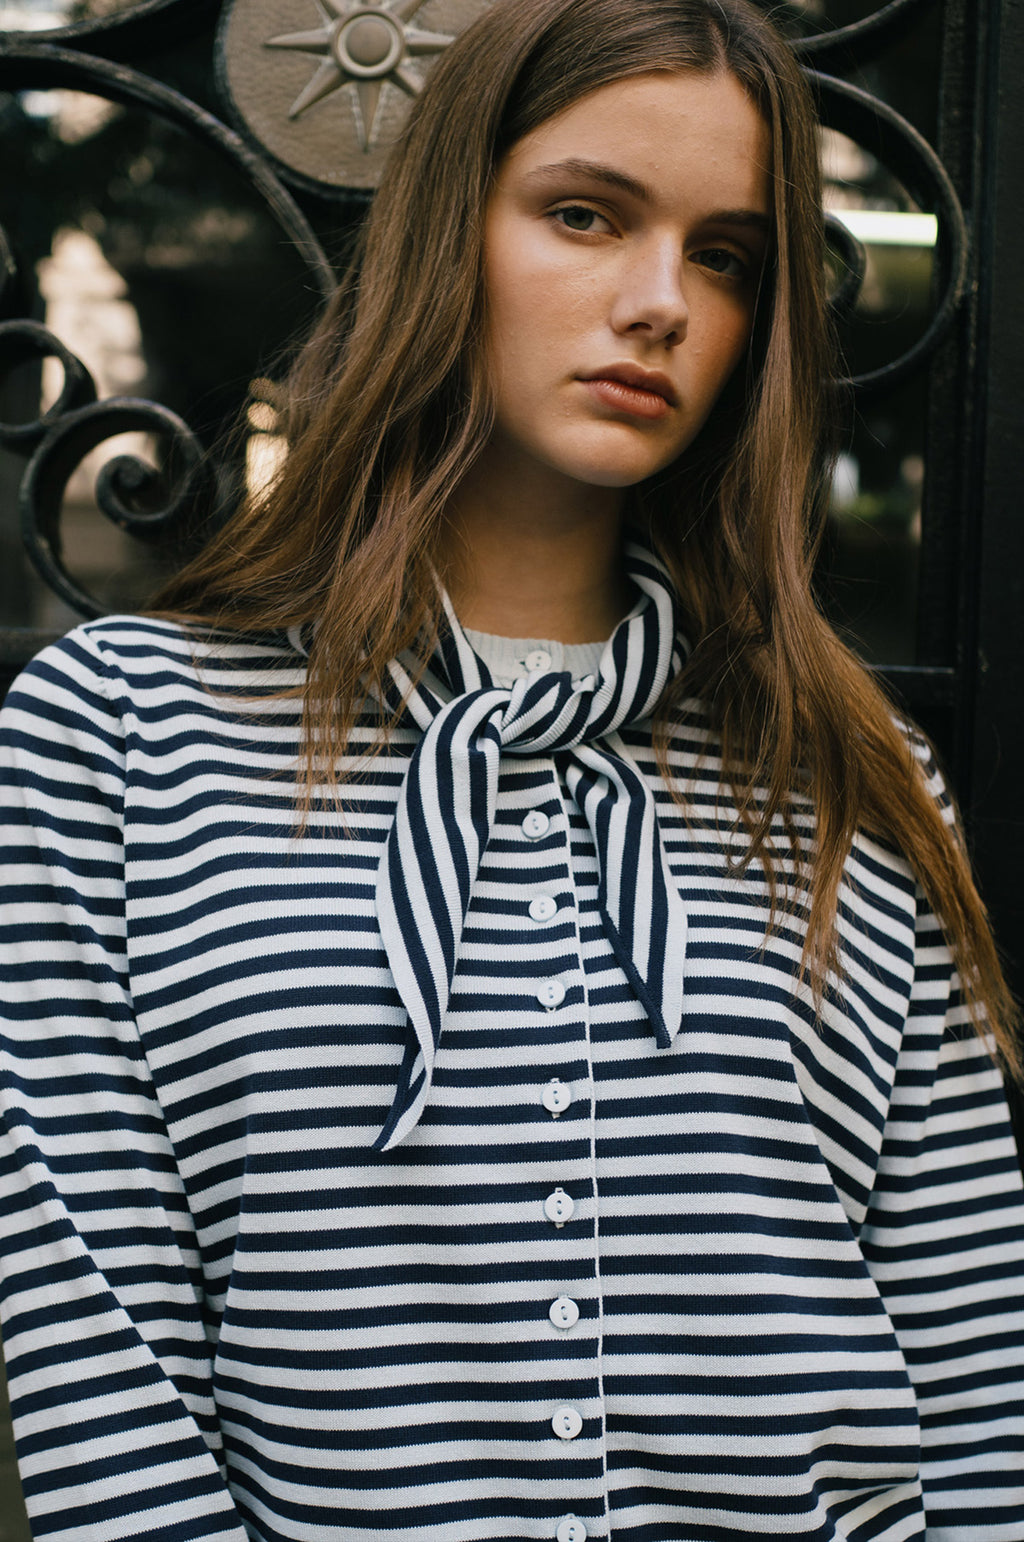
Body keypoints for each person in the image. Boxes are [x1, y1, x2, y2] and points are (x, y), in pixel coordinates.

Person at [2, 0, 1022, 1538]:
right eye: (585, 214)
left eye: (727, 256)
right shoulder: (120, 739)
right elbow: (99, 1350)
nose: (663, 300)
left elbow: (972, 1362)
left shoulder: (852, 785)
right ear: (441, 235)